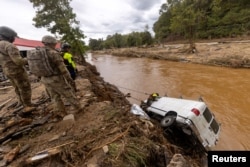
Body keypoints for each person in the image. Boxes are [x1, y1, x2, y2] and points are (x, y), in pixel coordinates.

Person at [39, 35, 83, 119]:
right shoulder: (54, 53)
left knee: (55, 97)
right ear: (52, 43)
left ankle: (62, 113)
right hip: (56, 78)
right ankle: (79, 108)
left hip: (44, 78)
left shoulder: (38, 53)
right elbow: (63, 69)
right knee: (68, 93)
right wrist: (69, 79)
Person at [0, 26, 36, 113]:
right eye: (13, 37)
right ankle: (28, 106)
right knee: (25, 88)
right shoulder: (9, 46)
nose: (14, 39)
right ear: (8, 36)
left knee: (17, 88)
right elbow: (19, 61)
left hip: (7, 71)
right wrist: (29, 58)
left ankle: (21, 103)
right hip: (17, 71)